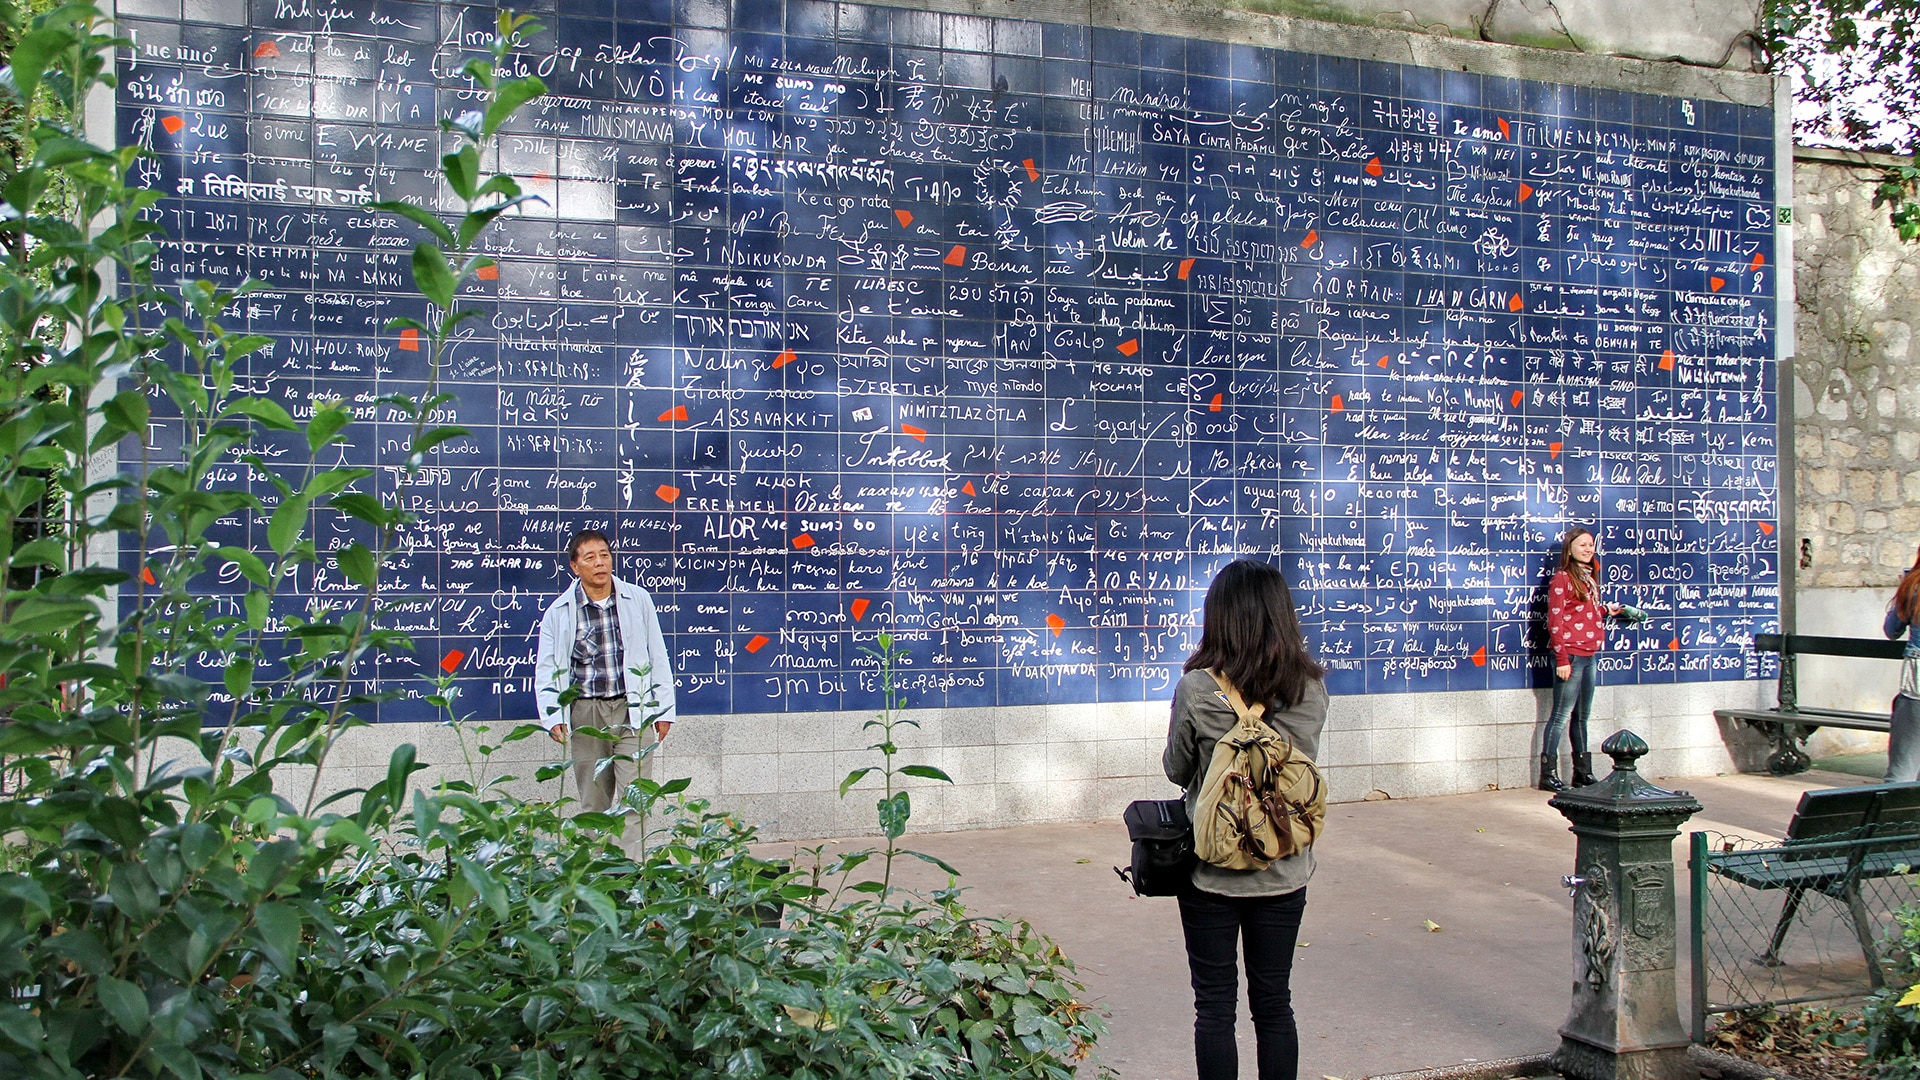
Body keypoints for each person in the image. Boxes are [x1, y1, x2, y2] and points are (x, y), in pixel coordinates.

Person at [1162, 559, 1328, 1080]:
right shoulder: (1310, 688)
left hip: (1210, 871)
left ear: (1220, 617)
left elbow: (1176, 769)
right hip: (1285, 867)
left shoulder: (1197, 688)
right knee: (1275, 1003)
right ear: (1283, 614)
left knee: (1214, 1008)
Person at [534, 528, 676, 813]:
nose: (600, 563)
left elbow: (658, 656)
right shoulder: (558, 612)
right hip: (587, 713)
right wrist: (553, 716)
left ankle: (632, 860)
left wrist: (664, 710)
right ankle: (598, 858)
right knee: (594, 803)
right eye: (590, 557)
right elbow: (548, 669)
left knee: (635, 801)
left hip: (632, 708)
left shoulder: (638, 600)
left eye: (605, 555)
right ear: (574, 567)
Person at [1540, 526, 1624, 792]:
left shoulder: (1589, 578)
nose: (1588, 550)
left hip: (1590, 654)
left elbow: (1582, 611)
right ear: (1570, 549)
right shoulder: (1562, 579)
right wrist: (1562, 658)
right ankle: (1548, 773)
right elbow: (1555, 620)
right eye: (1582, 545)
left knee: (1581, 716)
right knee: (1561, 715)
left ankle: (1582, 772)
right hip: (1572, 656)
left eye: (1590, 545)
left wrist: (1604, 610)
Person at [1884, 544, 1920, 783]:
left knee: (1903, 765)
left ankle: (1893, 819)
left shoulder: (1913, 585)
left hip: (1917, 682)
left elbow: (1891, 630)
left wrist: (1903, 588)